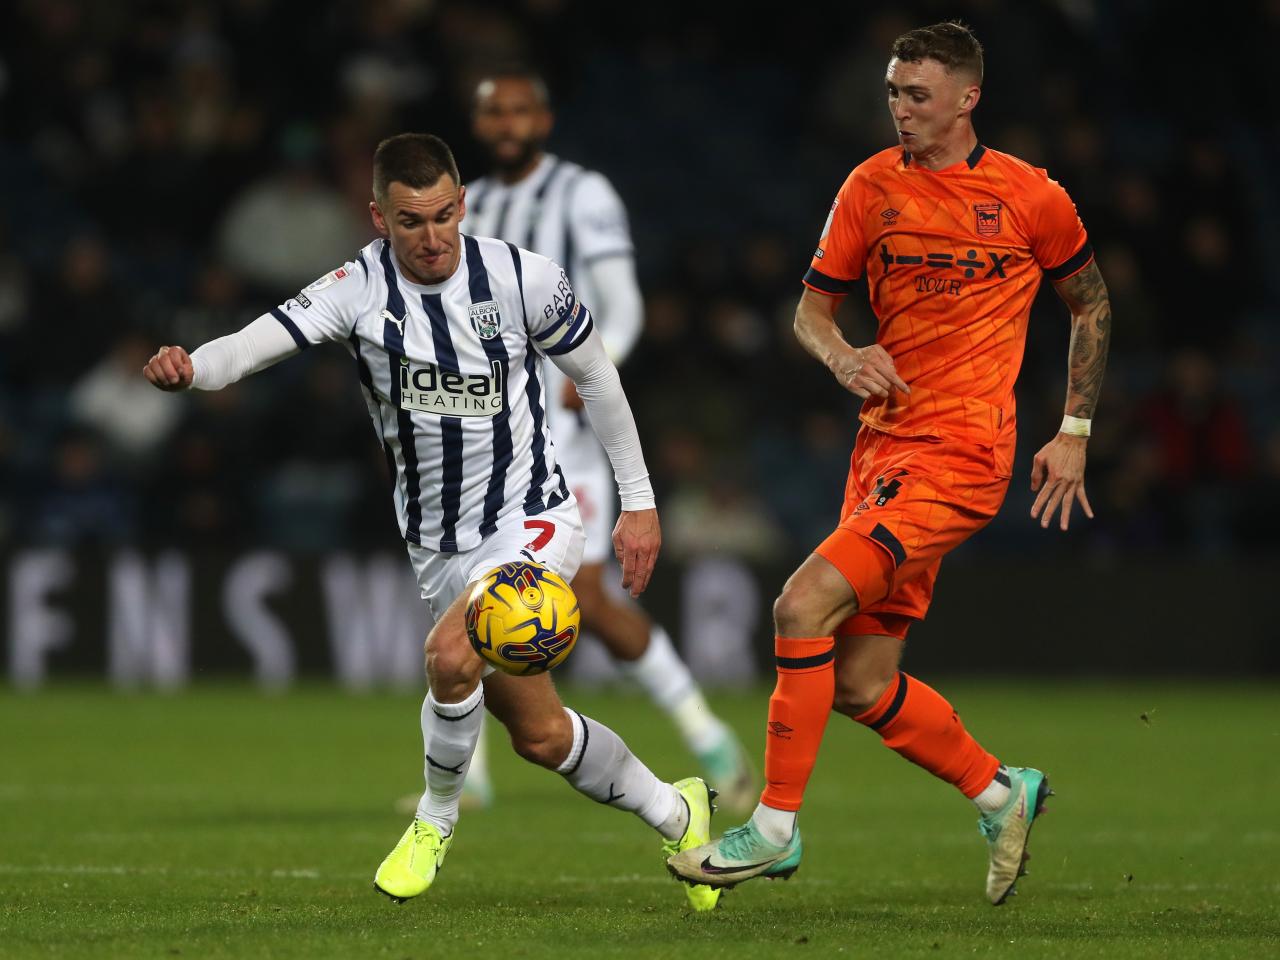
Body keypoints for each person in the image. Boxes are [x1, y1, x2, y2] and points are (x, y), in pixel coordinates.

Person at [143, 133, 721, 912]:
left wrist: (641, 503)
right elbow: (252, 347)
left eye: (445, 215)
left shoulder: (522, 278)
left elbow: (598, 377)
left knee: (450, 657)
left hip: (534, 518)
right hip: (439, 546)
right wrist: (193, 368)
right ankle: (678, 811)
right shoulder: (355, 287)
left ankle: (434, 820)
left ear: (463, 205)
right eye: (412, 221)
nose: (432, 237)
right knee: (542, 737)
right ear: (379, 216)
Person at [669, 21, 1111, 905]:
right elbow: (811, 313)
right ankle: (1000, 790)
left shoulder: (1031, 197)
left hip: (963, 453)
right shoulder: (869, 188)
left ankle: (776, 829)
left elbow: (1091, 304)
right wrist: (843, 357)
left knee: (801, 603)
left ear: (967, 98)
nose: (900, 109)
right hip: (884, 450)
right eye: (893, 93)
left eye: (917, 94)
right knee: (862, 682)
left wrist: (1073, 430)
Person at [459, 67, 756, 813]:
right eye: (495, 113)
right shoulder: (469, 206)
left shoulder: (581, 195)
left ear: (545, 119)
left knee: (583, 598)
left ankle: (706, 732)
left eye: (520, 111)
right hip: (488, 430)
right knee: (467, 587)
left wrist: (589, 368)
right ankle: (468, 780)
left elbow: (622, 308)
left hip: (567, 434)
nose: (507, 125)